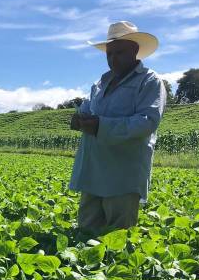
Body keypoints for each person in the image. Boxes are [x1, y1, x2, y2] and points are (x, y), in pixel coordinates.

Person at [69, 21, 167, 234]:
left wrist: (100, 125)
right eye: (109, 54)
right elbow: (86, 109)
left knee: (117, 238)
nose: (113, 59)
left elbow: (147, 121)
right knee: (86, 232)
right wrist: (78, 120)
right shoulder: (100, 83)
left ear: (135, 51)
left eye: (119, 53)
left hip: (123, 173)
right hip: (93, 170)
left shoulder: (149, 81)